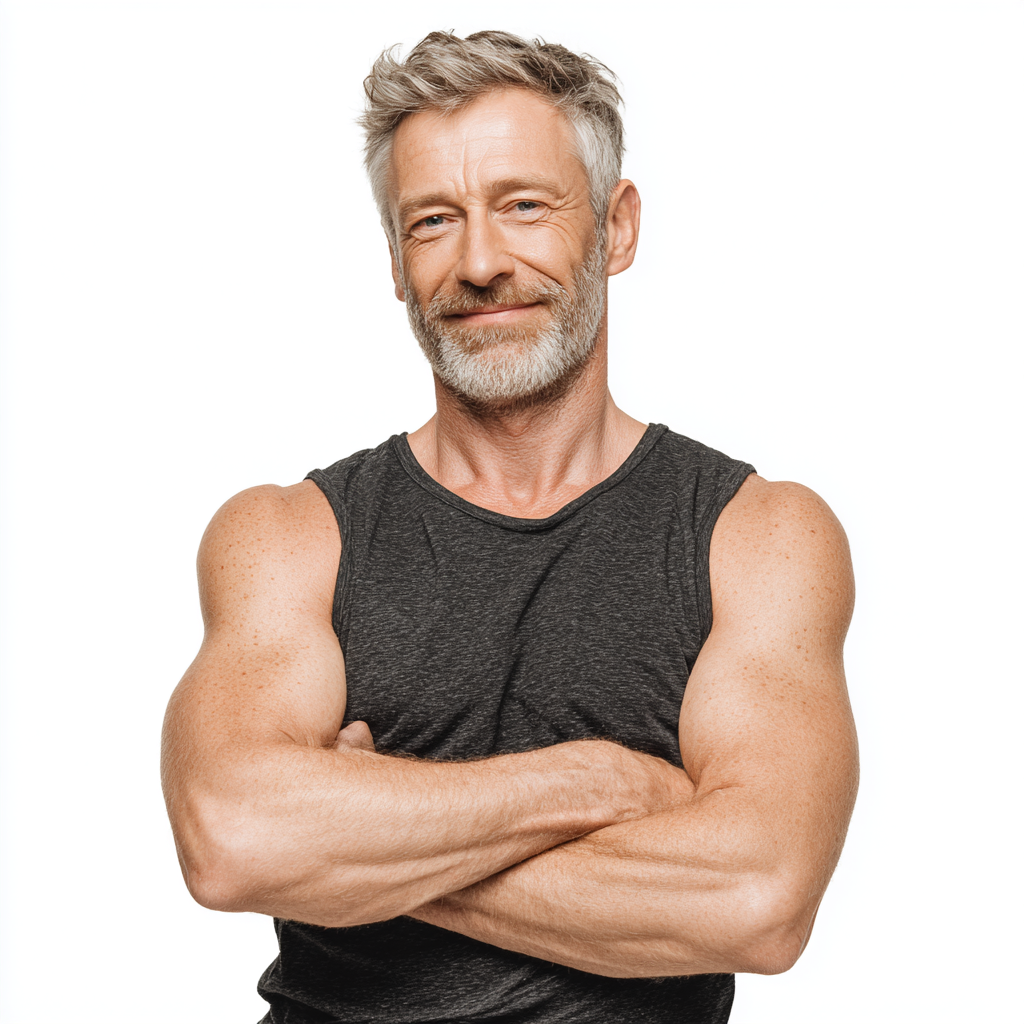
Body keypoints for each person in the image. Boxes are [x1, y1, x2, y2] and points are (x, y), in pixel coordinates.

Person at [160, 29, 858, 1024]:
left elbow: (757, 899)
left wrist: (363, 843)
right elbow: (235, 840)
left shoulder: (758, 538)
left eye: (524, 206)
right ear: (395, 261)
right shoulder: (288, 538)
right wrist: (594, 781)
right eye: (433, 221)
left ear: (615, 227)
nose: (481, 262)